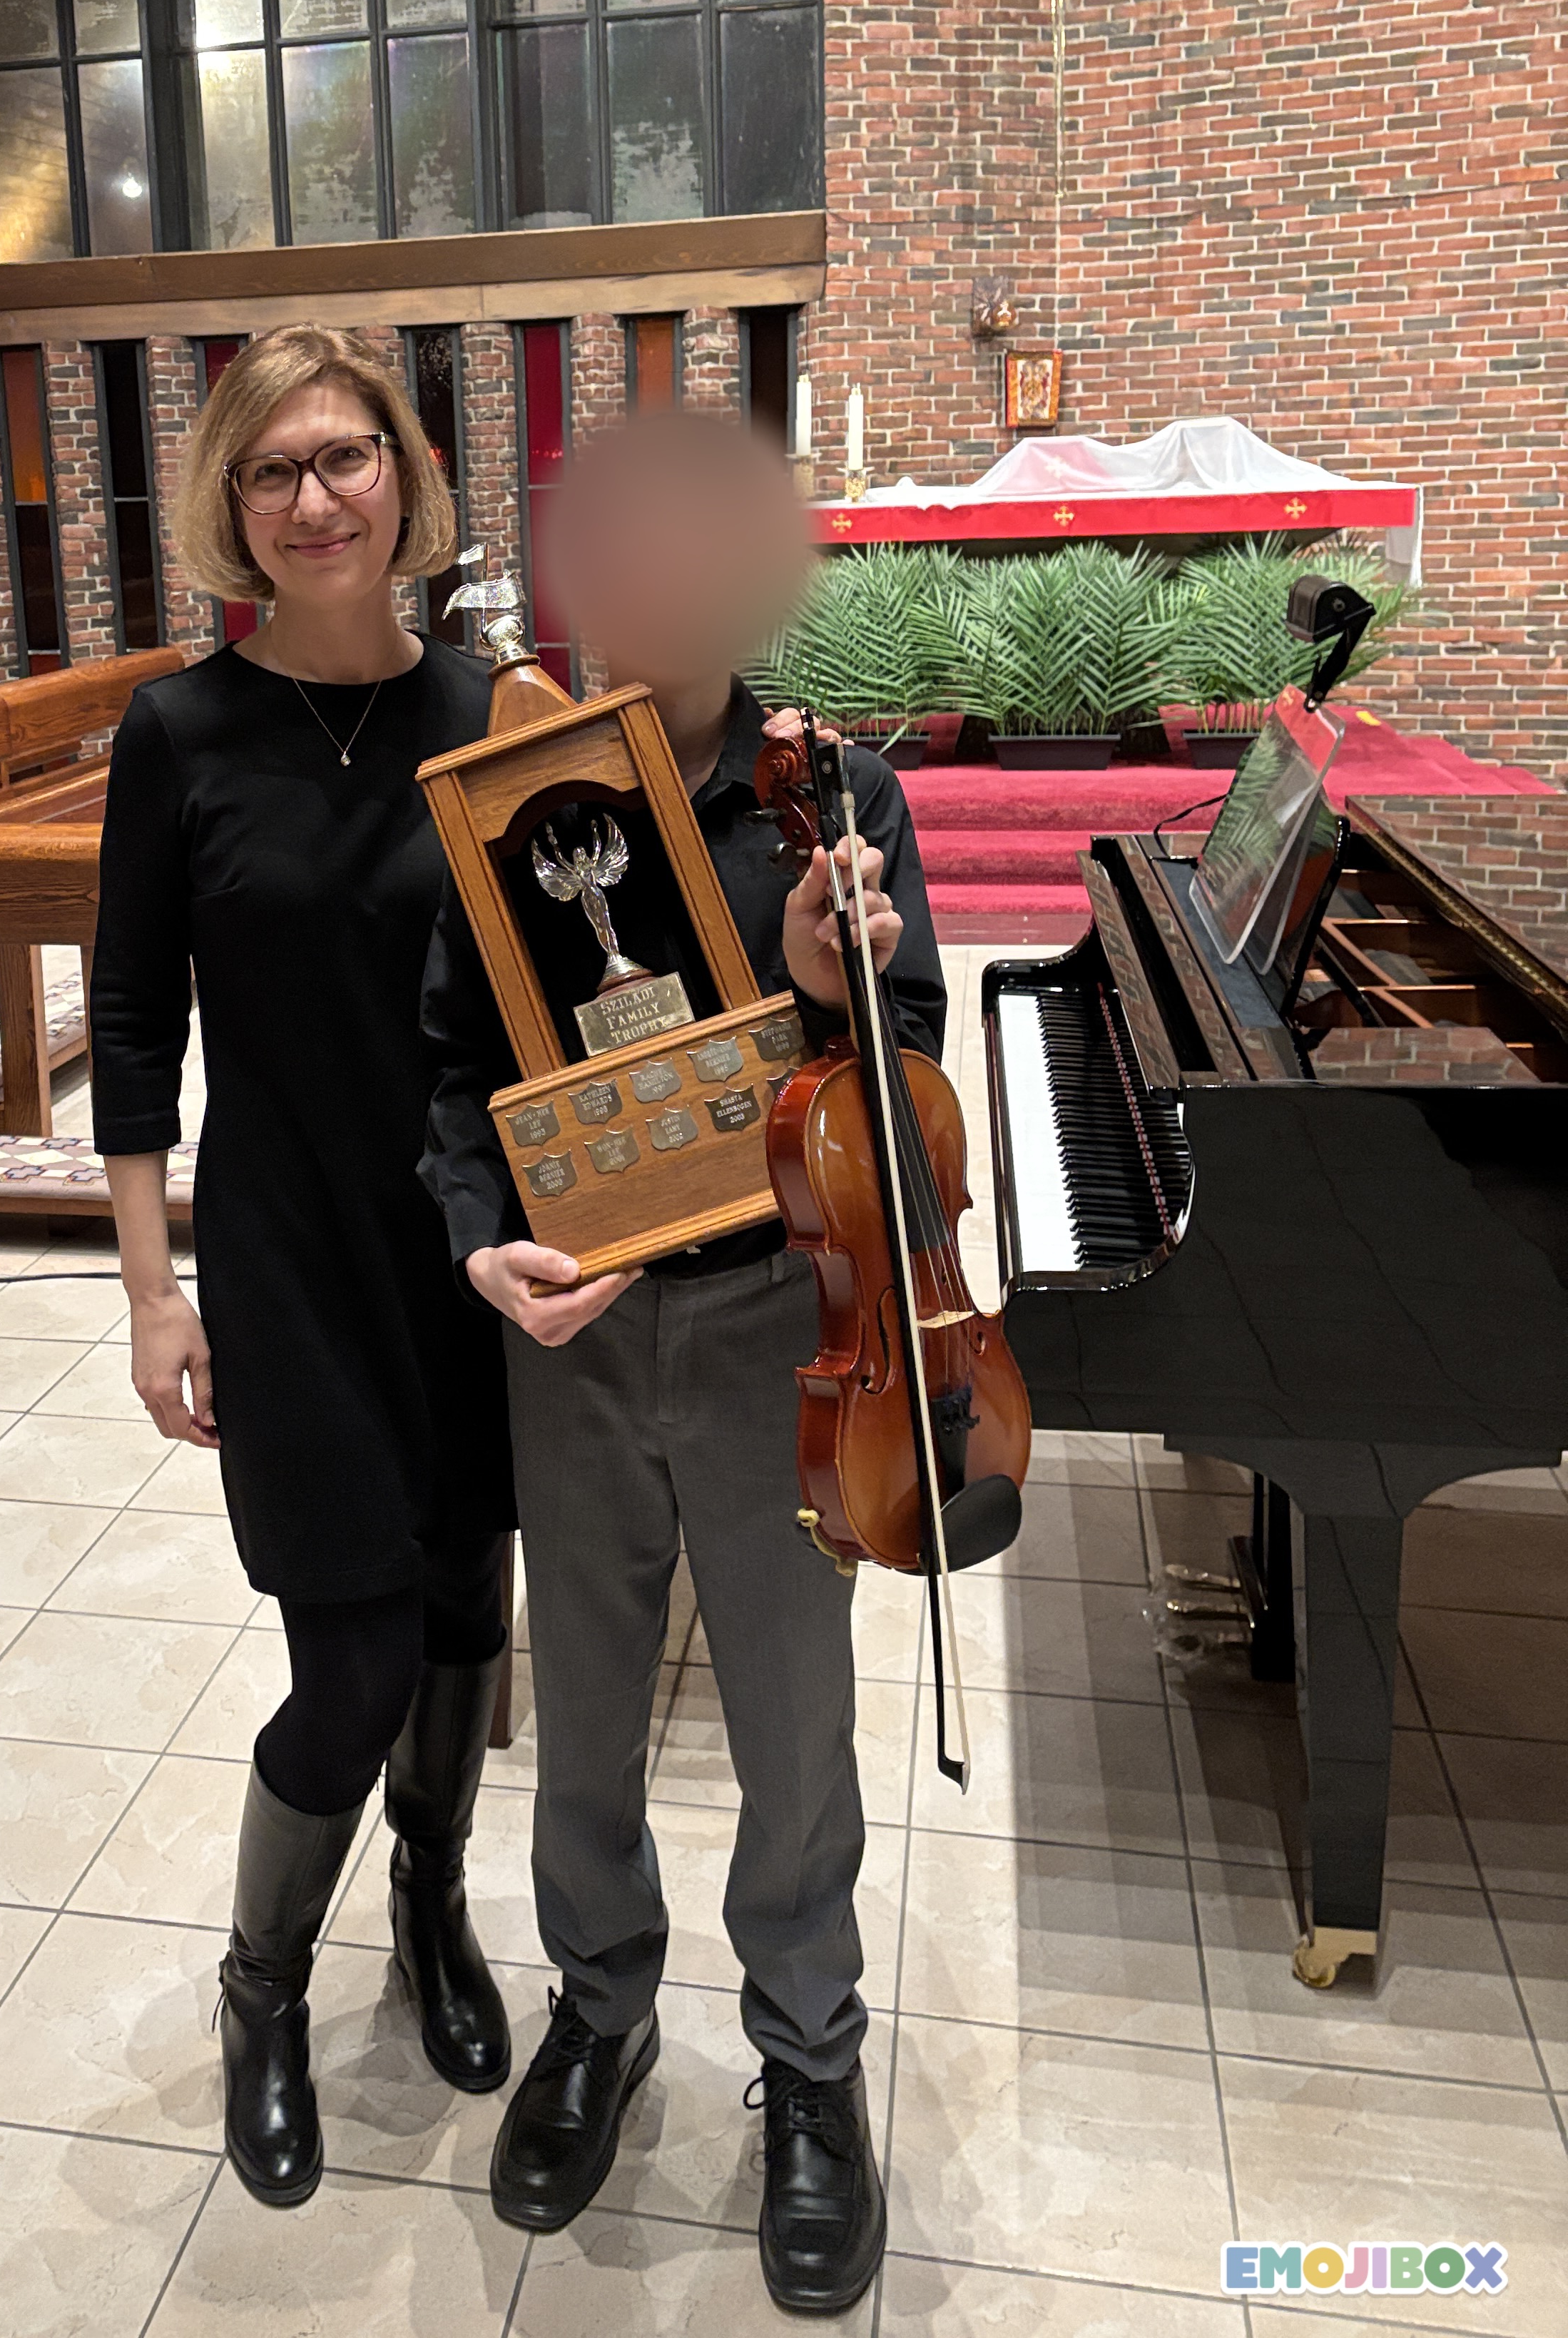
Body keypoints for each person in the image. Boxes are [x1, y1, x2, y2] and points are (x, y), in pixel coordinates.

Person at [419, 415, 945, 2317]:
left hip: (770, 1329)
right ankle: (602, 2011)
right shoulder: (512, 791)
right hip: (571, 1326)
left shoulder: (841, 795)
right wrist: (482, 1225)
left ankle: (809, 2067)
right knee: (584, 1709)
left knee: (795, 1725)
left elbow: (908, 1072)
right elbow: (452, 1069)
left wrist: (832, 978)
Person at [88, 326, 516, 2211]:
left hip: (477, 1255)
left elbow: (565, 992)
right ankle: (264, 1992)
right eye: (274, 471)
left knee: (462, 1630)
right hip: (280, 1259)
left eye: (344, 458)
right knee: (343, 1666)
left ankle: (428, 1903)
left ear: (405, 483)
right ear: (232, 506)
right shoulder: (179, 735)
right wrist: (149, 1291)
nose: (316, 498)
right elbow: (127, 1034)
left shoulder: (493, 710)